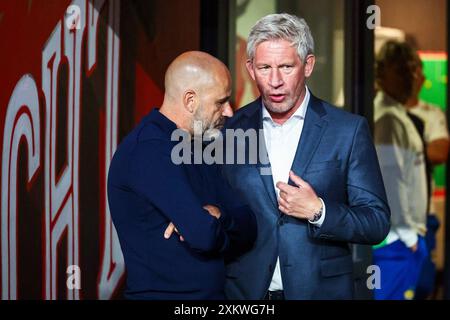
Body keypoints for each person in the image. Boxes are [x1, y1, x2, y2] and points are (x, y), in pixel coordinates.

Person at [221, 13, 390, 300]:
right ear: (250, 68)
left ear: (308, 65)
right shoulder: (229, 129)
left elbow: (376, 222)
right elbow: (214, 203)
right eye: (264, 67)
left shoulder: (347, 130)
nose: (274, 81)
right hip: (243, 294)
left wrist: (319, 211)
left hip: (321, 292)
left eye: (286, 67)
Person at [107, 51, 256, 300]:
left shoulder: (196, 147)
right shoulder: (148, 150)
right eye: (221, 102)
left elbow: (249, 225)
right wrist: (207, 225)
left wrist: (218, 216)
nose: (229, 111)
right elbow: (203, 236)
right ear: (190, 101)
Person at [373, 40, 429, 300]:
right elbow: (389, 181)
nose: (411, 77)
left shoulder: (396, 114)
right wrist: (409, 238)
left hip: (401, 240)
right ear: (382, 73)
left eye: (412, 70)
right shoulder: (388, 119)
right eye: (402, 70)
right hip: (396, 243)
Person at [406, 56, 449, 299]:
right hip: (383, 213)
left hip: (421, 215)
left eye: (415, 73)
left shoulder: (431, 113)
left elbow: (439, 151)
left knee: (422, 282)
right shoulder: (376, 107)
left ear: (422, 79)